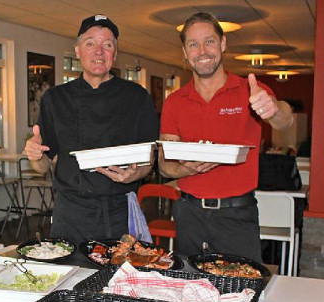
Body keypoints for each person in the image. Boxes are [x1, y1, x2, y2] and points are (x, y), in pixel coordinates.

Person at [159, 12, 294, 262]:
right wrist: (186, 169)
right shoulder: (175, 102)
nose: (202, 51)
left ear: (222, 44)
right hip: (189, 214)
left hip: (238, 215)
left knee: (242, 291)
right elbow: (165, 166)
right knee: (190, 292)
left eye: (209, 41)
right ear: (185, 52)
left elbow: (285, 120)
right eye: (193, 44)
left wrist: (273, 109)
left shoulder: (249, 91)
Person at [24, 14, 159, 245]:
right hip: (70, 214)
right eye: (90, 43)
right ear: (77, 50)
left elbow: (149, 158)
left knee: (119, 279)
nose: (99, 51)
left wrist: (135, 174)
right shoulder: (55, 99)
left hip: (118, 212)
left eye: (107, 45)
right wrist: (34, 154)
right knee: (67, 278)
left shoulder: (137, 97)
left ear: (115, 54)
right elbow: (42, 165)